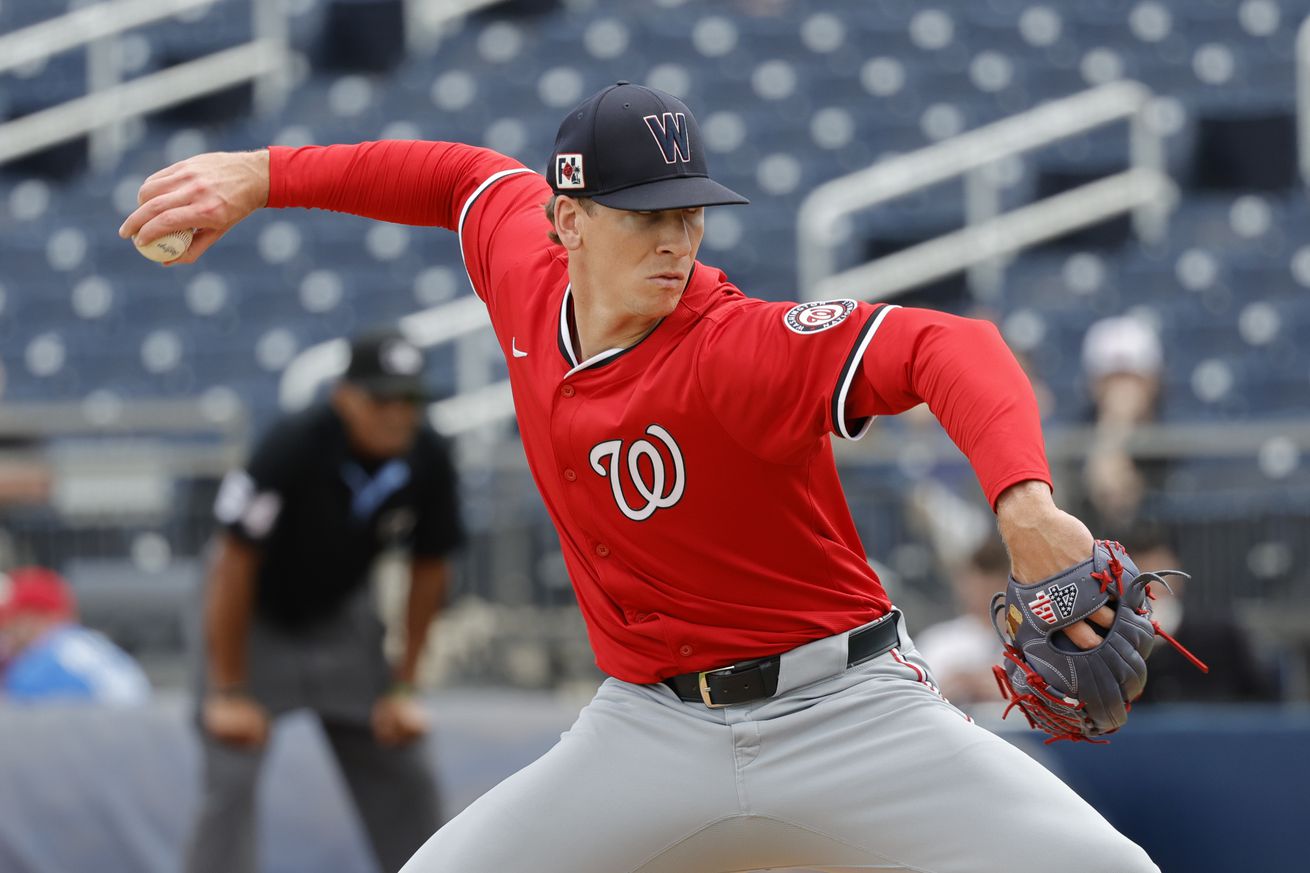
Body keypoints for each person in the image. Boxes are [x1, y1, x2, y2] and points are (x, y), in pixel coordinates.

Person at [123, 82, 1162, 873]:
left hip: (846, 710)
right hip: (649, 725)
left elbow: (951, 346)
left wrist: (1022, 499)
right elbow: (452, 177)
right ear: (565, 218)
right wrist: (263, 174)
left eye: (688, 213)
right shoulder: (522, 269)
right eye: (642, 214)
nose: (673, 238)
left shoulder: (740, 347)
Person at [184, 328, 465, 873]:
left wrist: (405, 685)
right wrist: (228, 690)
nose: (398, 413)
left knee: (401, 758)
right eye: (382, 398)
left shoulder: (428, 455)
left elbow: (429, 569)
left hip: (339, 616)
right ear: (345, 397)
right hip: (250, 614)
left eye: (410, 399)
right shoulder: (294, 443)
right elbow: (233, 562)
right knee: (231, 772)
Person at [1124, 529, 1276, 704]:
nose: (1153, 582)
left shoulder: (1221, 633)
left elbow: (1262, 696)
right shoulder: (1117, 641)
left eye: (1159, 569)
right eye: (1142, 570)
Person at [0, 565, 150, 705]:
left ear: (31, 619)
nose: (7, 631)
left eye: (12, 620)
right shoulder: (92, 643)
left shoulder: (38, 667)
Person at [1074, 314, 1167, 534]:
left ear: (1152, 381)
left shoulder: (1172, 433)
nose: (1122, 389)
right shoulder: (1076, 434)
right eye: (1112, 379)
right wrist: (1113, 427)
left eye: (1131, 378)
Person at [913, 535, 1009, 708]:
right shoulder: (939, 641)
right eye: (976, 580)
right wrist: (959, 685)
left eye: (992, 581)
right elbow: (917, 704)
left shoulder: (1031, 645)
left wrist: (1001, 690)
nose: (981, 590)